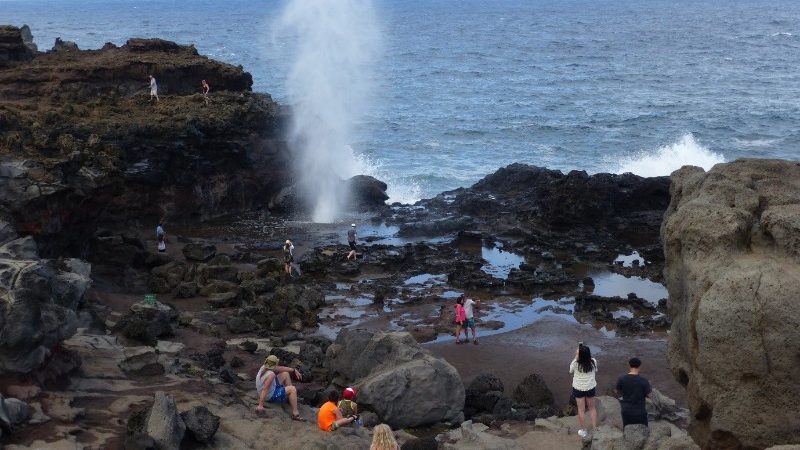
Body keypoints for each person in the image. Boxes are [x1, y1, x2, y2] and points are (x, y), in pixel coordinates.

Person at [255, 355, 305, 422]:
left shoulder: (264, 367)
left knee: (285, 374)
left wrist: (293, 370)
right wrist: (260, 405)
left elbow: (280, 368)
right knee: (292, 389)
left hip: (265, 391)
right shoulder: (271, 375)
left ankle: (291, 398)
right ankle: (295, 414)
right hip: (269, 396)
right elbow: (265, 389)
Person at [570, 343, 598, 438]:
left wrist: (576, 356)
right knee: (592, 408)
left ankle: (584, 431)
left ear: (579, 355)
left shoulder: (575, 363)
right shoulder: (593, 362)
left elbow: (570, 371)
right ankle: (595, 429)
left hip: (579, 388)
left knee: (581, 410)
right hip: (590, 387)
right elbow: (596, 370)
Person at [616, 357, 652, 428]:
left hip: (626, 411)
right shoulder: (644, 381)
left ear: (629, 366)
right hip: (640, 412)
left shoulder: (622, 379)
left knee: (627, 431)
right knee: (643, 433)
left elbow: (617, 391)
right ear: (639, 367)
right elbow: (650, 395)